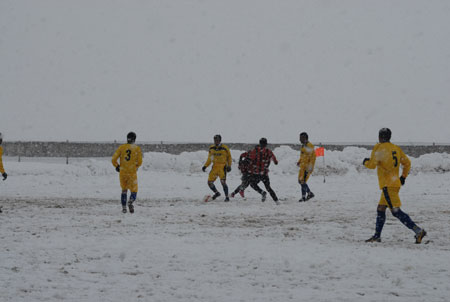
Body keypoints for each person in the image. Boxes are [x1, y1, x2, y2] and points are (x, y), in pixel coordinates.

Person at [364, 128, 426, 244]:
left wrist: (365, 162)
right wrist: (403, 177)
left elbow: (372, 165)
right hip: (394, 183)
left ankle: (418, 231)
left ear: (380, 137)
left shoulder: (379, 148)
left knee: (396, 211)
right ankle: (377, 236)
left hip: (388, 185)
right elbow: (407, 163)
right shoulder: (396, 149)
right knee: (381, 208)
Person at [112, 132, 143, 213]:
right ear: (134, 139)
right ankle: (131, 201)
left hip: (123, 172)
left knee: (124, 190)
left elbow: (113, 159)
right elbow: (140, 162)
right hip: (132, 172)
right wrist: (135, 167)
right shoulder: (136, 148)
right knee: (134, 190)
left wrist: (117, 166)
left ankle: (124, 207)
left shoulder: (122, 147)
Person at [247, 138, 279, 204]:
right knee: (268, 188)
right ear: (266, 144)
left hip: (257, 173)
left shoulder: (255, 151)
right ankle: (276, 201)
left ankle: (262, 192)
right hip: (264, 173)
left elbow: (250, 160)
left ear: (259, 143)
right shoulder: (269, 152)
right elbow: (275, 161)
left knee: (252, 184)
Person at [202, 134, 232, 201]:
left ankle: (227, 197)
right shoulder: (212, 148)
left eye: (217, 140)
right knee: (209, 182)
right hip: (215, 167)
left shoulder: (225, 148)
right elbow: (210, 158)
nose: (216, 141)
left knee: (223, 182)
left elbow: (229, 157)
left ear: (220, 140)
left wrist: (229, 165)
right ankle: (217, 193)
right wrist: (205, 166)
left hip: (222, 167)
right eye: (215, 140)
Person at [297, 132, 316, 202]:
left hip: (307, 167)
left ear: (305, 138)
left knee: (302, 181)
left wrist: (310, 167)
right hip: (302, 167)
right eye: (299, 138)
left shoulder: (309, 146)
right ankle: (305, 196)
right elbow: (303, 156)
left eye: (301, 138)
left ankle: (308, 194)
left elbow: (312, 158)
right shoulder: (303, 146)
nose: (299, 140)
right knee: (301, 181)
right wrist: (299, 161)